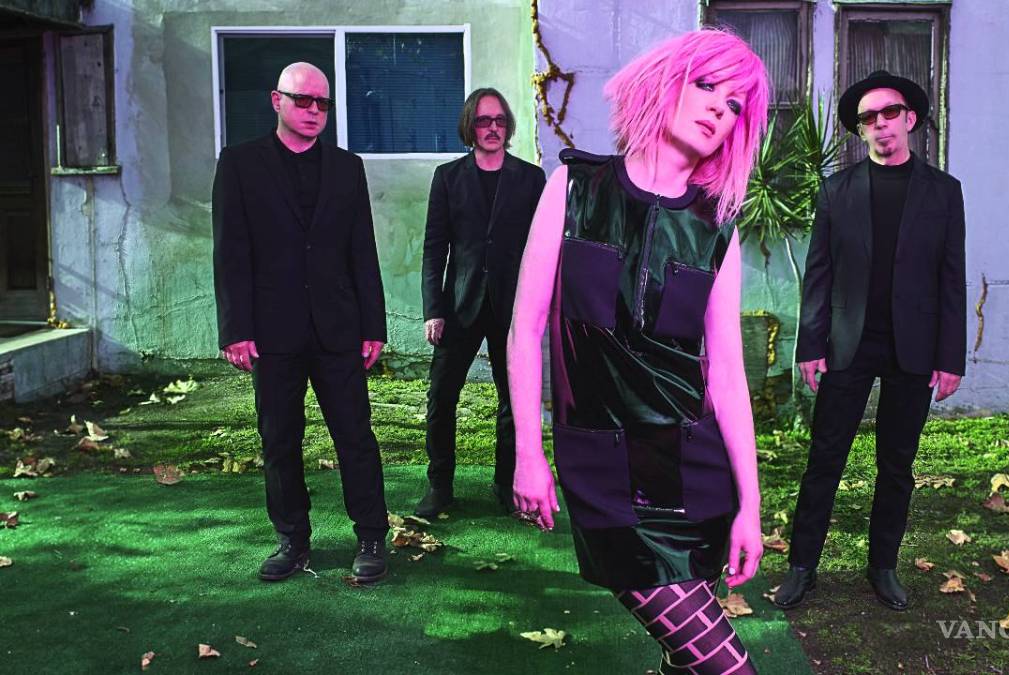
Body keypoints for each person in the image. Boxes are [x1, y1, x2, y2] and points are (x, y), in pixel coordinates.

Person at [506, 29, 769, 674]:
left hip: (695, 471)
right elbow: (525, 329)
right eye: (708, 86)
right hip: (603, 470)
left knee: (685, 657)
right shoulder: (574, 187)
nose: (719, 108)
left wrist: (751, 507)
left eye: (735, 104)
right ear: (667, 82)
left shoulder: (717, 225)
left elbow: (727, 375)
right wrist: (528, 452)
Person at [772, 70, 967, 612]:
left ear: (910, 119)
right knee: (824, 459)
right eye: (868, 118)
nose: (880, 124)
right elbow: (819, 275)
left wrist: (951, 357)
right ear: (860, 130)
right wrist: (810, 345)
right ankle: (802, 567)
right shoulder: (837, 191)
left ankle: (883, 567)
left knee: (897, 465)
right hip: (847, 344)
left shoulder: (944, 192)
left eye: (889, 113)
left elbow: (952, 278)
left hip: (914, 347)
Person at [212, 62, 390, 583]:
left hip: (338, 328)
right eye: (303, 100)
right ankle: (292, 540)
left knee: (355, 436)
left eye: (323, 103)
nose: (314, 111)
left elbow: (362, 250)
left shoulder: (347, 167)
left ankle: (371, 536)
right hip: (272, 332)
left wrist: (373, 325)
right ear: (277, 101)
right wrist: (235, 328)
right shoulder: (239, 164)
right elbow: (231, 252)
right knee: (279, 439)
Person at [417, 88, 547, 518]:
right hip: (460, 305)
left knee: (514, 400)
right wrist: (433, 310)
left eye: (499, 121)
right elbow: (434, 249)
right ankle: (440, 486)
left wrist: (540, 306)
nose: (492, 128)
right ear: (469, 127)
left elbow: (541, 249)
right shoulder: (448, 178)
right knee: (441, 397)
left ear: (507, 127)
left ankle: (505, 484)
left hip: (513, 308)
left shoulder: (531, 179)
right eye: (483, 121)